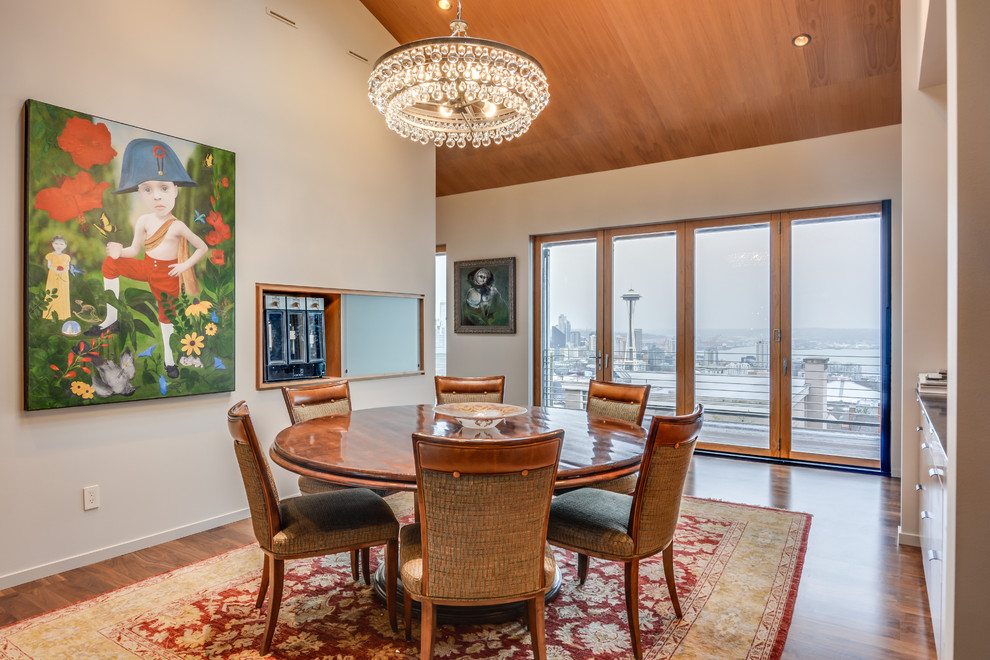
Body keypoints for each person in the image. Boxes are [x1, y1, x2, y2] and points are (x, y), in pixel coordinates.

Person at [84, 139, 207, 379]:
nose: (156, 197)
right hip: (145, 267)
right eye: (147, 189)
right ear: (140, 192)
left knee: (166, 315)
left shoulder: (178, 225)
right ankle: (111, 318)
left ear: (175, 190)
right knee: (110, 264)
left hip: (166, 274)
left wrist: (183, 265)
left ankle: (170, 361)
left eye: (163, 188)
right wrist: (120, 251)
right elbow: (134, 250)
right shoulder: (144, 221)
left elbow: (202, 247)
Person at [42, 235, 71, 321]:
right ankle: (50, 314)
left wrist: (63, 270)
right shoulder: (51, 255)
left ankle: (63, 314)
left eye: (61, 244)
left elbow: (67, 267)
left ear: (65, 246)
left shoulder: (66, 257)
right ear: (52, 244)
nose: (59, 246)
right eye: (56, 243)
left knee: (62, 292)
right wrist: (55, 269)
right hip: (53, 275)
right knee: (52, 291)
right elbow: (49, 265)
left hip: (63, 276)